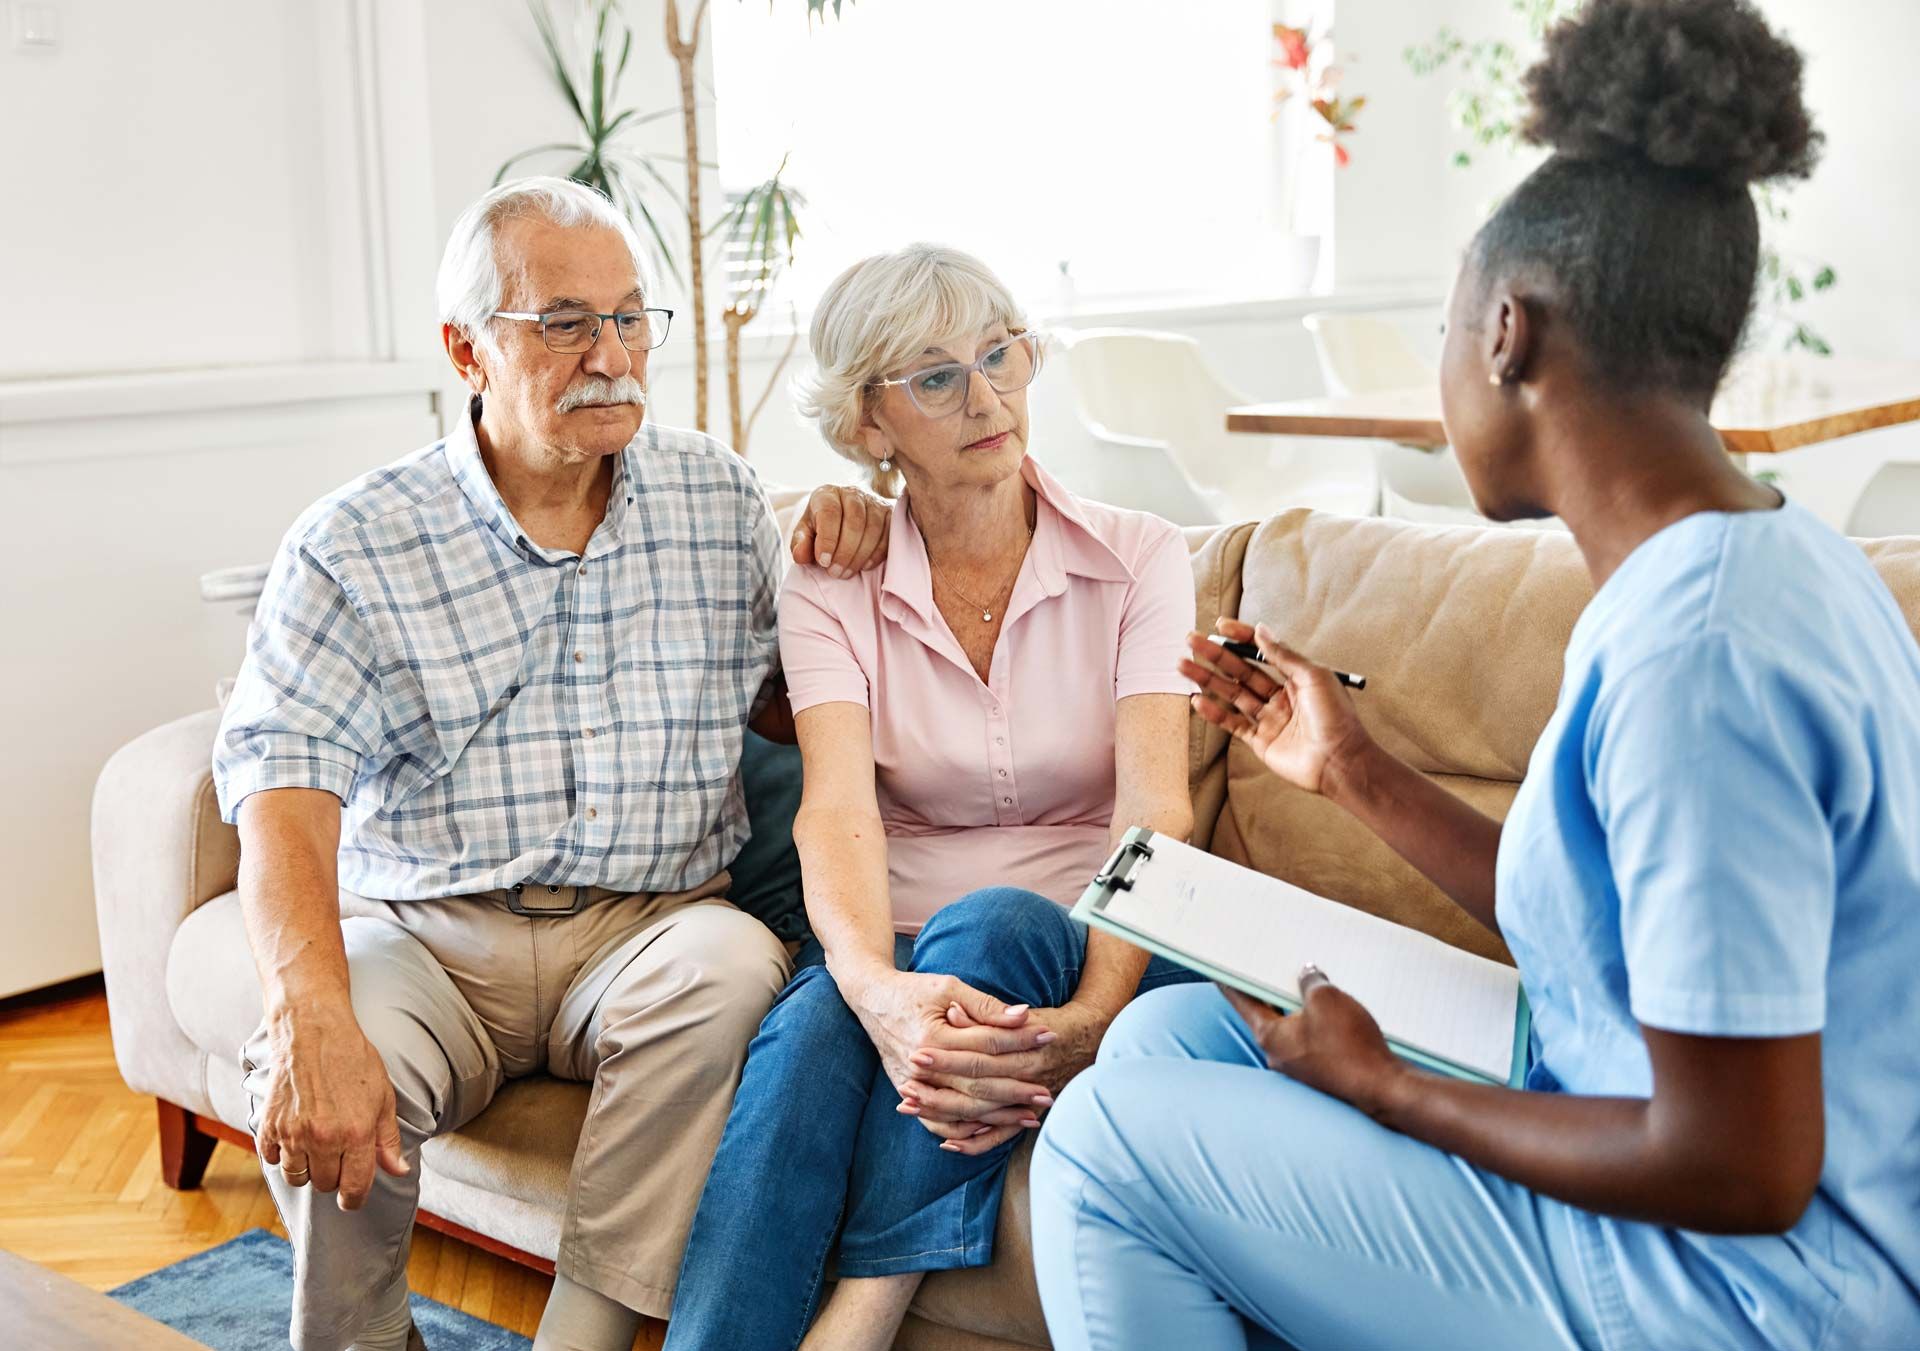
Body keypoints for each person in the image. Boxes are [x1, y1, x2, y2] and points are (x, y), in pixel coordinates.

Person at [1030, 3, 1920, 1348]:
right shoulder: (1764, 559)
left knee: (1102, 1136)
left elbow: (1744, 1163)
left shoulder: (1703, 658)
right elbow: (1617, 928)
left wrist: (1391, 1088)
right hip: (1676, 1174)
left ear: (1507, 330)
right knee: (1172, 1043)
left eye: (1446, 329)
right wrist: (1349, 768)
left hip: (1741, 1294)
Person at [211, 176, 889, 1351]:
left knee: (732, 968)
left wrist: (855, 545)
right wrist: (309, 1002)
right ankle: (361, 1339)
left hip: (652, 926)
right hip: (427, 931)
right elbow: (282, 787)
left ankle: (577, 1338)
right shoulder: (355, 539)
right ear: (465, 348)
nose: (613, 354)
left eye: (631, 318)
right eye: (565, 322)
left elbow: (799, 708)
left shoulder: (721, 501)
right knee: (316, 1048)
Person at [665, 244, 1203, 1351]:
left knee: (1001, 920)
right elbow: (838, 810)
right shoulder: (831, 578)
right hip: (897, 930)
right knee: (812, 1022)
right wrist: (868, 987)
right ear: (869, 423)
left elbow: (1156, 819)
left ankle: (866, 1312)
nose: (988, 394)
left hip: (1095, 940)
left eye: (999, 353)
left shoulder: (1142, 557)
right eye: (937, 375)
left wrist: (1094, 1021)